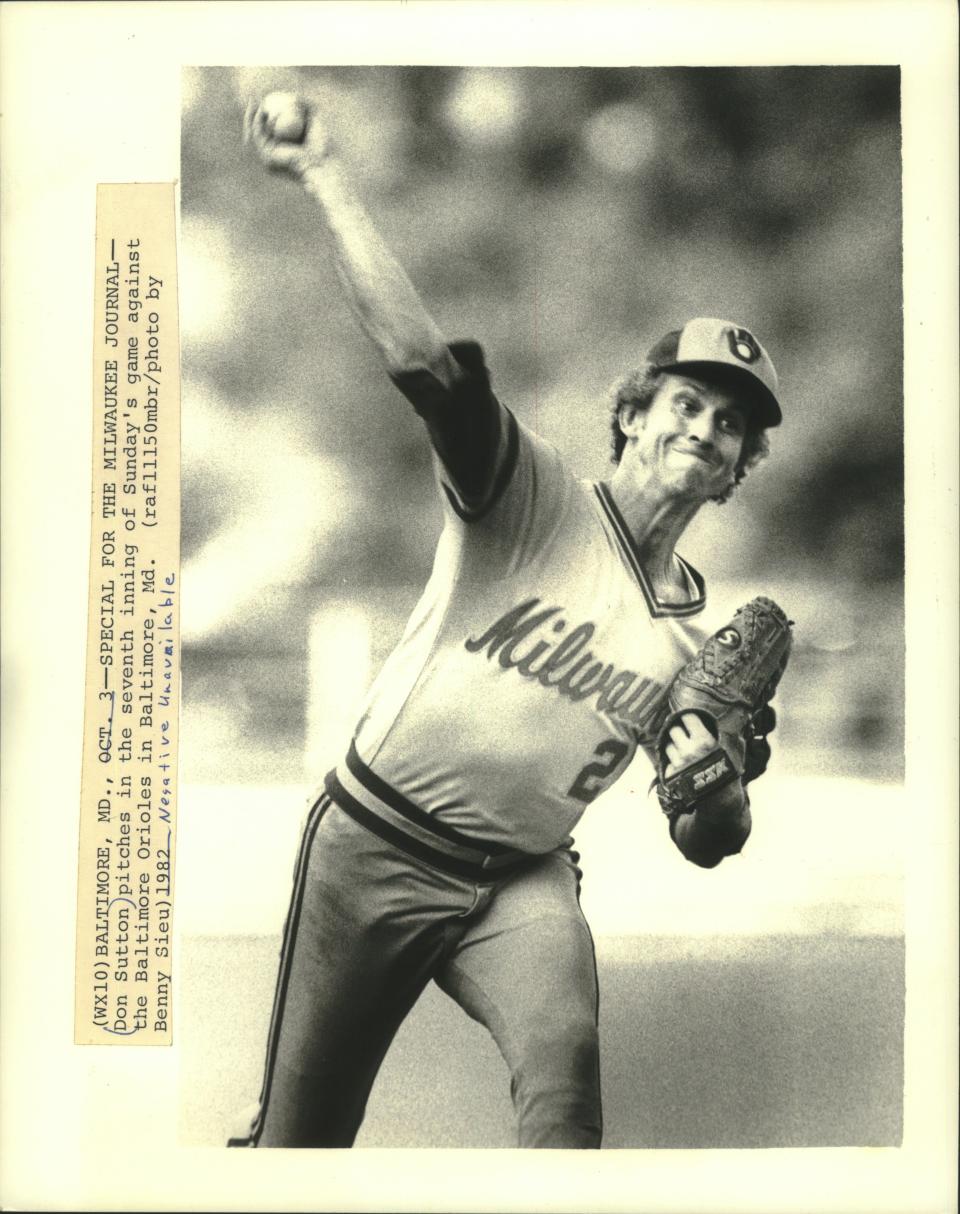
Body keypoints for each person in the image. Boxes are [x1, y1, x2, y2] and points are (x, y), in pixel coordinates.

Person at [229, 93, 782, 1149]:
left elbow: (712, 839)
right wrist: (325, 175)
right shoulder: (531, 494)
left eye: (733, 425)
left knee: (565, 1075)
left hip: (519, 880)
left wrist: (715, 783)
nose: (707, 427)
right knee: (302, 1144)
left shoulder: (703, 648)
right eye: (688, 401)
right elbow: (423, 364)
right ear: (633, 413)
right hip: (374, 844)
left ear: (738, 471)